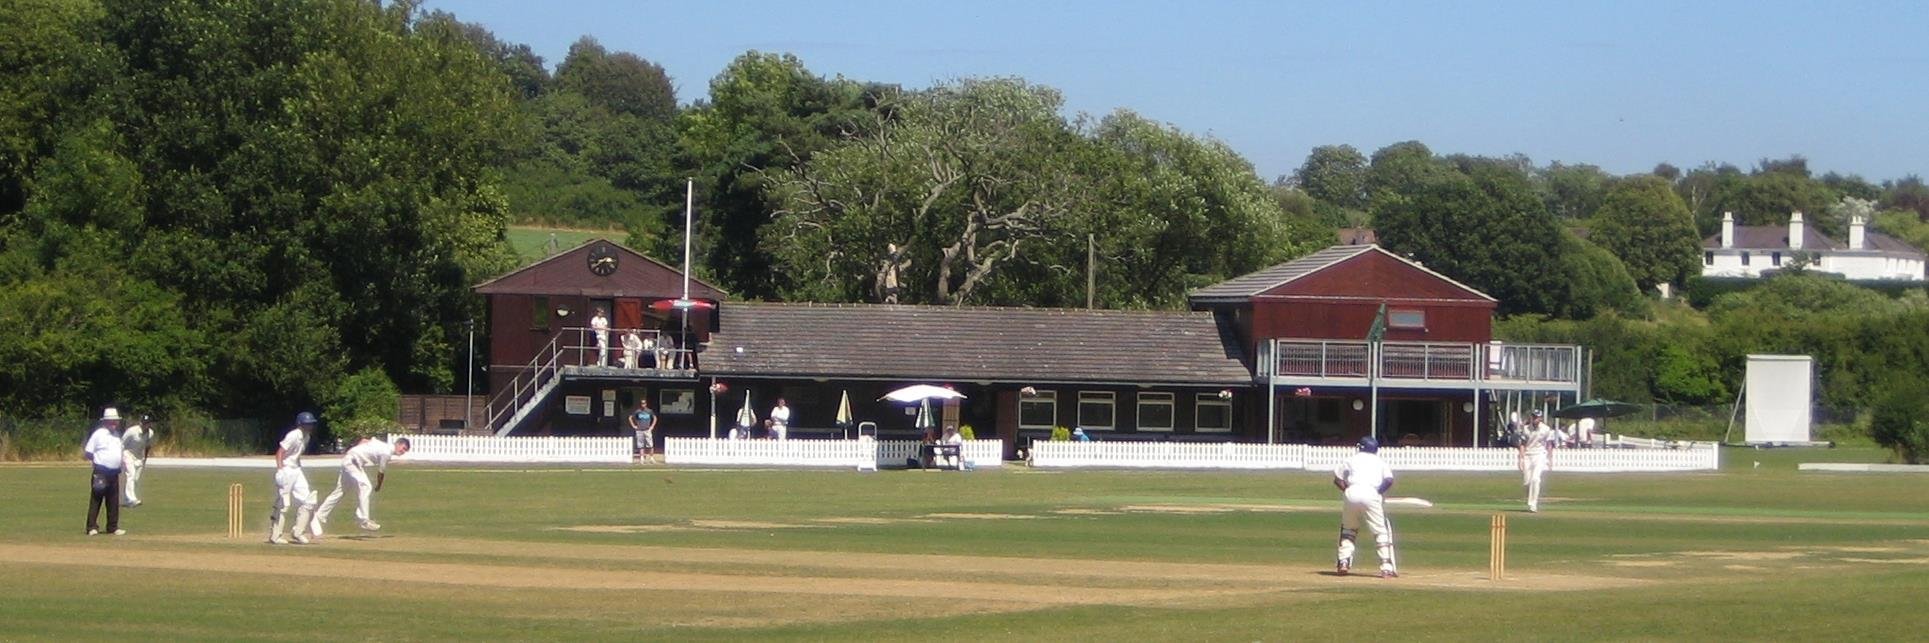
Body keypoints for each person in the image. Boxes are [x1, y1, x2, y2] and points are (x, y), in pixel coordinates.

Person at [311, 437, 411, 540]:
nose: (403, 452)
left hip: (350, 459)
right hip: (353, 462)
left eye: (405, 450)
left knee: (340, 492)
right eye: (403, 448)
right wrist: (378, 486)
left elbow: (364, 440)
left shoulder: (381, 444)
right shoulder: (386, 453)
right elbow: (381, 472)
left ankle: (319, 516)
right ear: (398, 444)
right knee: (366, 486)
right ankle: (363, 520)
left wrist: (355, 451)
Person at [1333, 436, 1398, 578]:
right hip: (1371, 493)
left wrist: (1348, 491)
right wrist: (1377, 492)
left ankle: (1343, 562)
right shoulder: (1380, 462)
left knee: (1349, 529)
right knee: (1379, 531)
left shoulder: (1351, 459)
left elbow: (1337, 479)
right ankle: (1386, 566)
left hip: (1352, 492)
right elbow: (1389, 480)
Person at [268, 412, 319, 545]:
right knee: (284, 503)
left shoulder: (307, 436)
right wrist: (280, 470)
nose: (310, 426)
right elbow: (280, 452)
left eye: (311, 424)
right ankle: (275, 535)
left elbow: (296, 455)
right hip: (286, 469)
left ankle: (297, 532)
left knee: (309, 501)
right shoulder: (293, 435)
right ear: (301, 424)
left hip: (296, 470)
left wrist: (298, 467)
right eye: (308, 424)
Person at [82, 407, 127, 536]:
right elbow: (89, 452)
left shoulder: (117, 435)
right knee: (97, 498)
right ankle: (91, 527)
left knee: (113, 500)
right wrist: (98, 463)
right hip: (101, 471)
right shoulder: (98, 434)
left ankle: (112, 527)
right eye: (111, 421)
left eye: (115, 421)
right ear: (105, 421)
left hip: (114, 472)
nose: (114, 423)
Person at [1518, 409, 1559, 512]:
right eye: (1534, 417)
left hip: (1540, 455)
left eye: (1538, 417)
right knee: (1527, 483)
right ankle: (1530, 499)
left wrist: (1550, 459)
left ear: (1540, 418)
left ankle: (1533, 504)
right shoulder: (1526, 428)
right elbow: (1522, 444)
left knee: (1535, 479)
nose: (1536, 419)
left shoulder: (1546, 429)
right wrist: (1521, 459)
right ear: (1531, 417)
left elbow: (1549, 445)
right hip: (1528, 455)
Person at [120, 414, 152, 508]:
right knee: (131, 475)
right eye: (145, 423)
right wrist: (120, 457)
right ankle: (132, 499)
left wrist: (145, 459)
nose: (146, 425)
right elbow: (121, 444)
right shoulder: (132, 431)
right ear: (141, 423)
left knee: (136, 479)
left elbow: (147, 446)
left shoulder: (150, 433)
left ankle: (126, 500)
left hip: (139, 457)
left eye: (148, 423)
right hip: (127, 454)